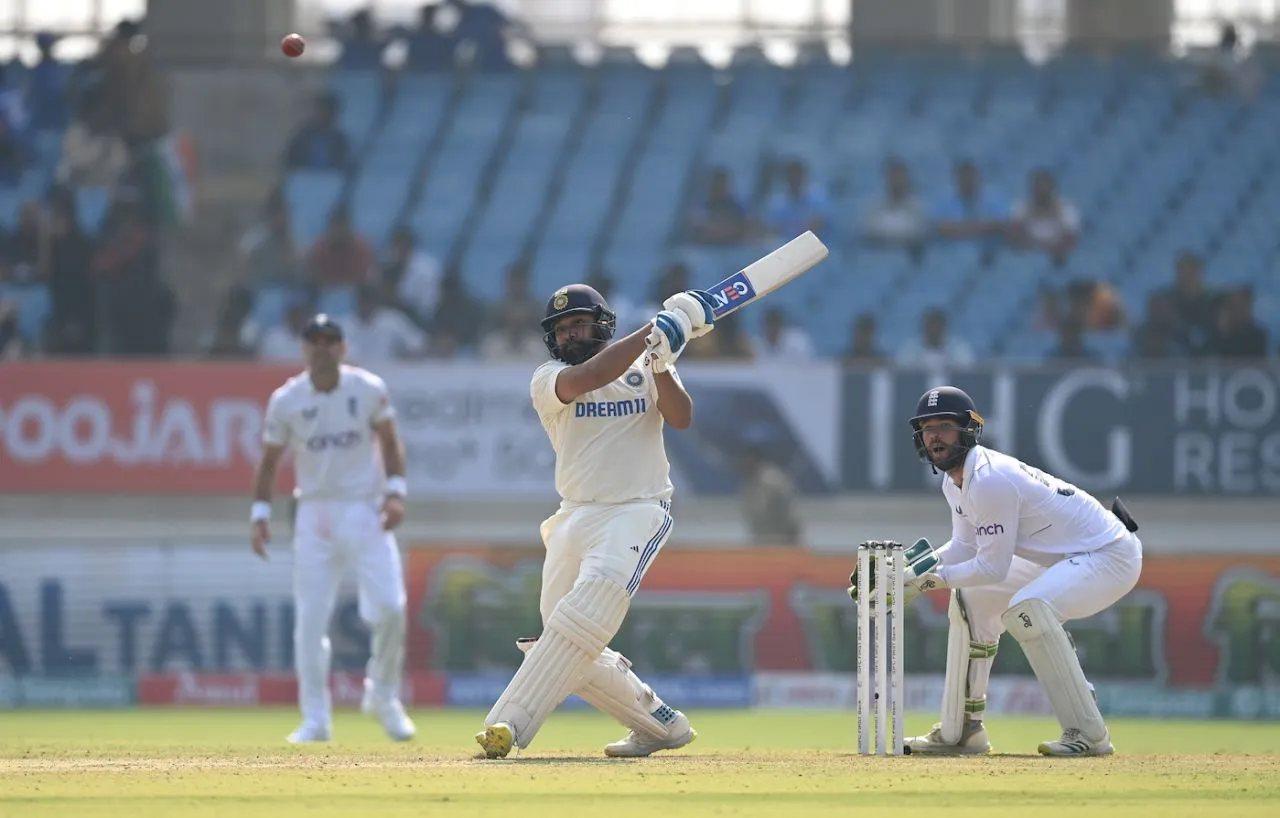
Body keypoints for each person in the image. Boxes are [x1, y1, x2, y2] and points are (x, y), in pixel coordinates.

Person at [474, 283, 715, 759]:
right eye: (562, 329)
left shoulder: (649, 364)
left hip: (638, 507)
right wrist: (656, 331)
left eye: (579, 323)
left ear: (603, 324)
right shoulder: (547, 377)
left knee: (592, 602)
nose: (570, 334)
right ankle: (661, 724)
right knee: (564, 644)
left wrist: (662, 361)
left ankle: (510, 724)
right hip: (574, 515)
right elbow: (590, 375)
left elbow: (682, 417)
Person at [850, 386, 1143, 757]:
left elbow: (992, 565)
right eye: (927, 428)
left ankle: (1089, 734)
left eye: (944, 426)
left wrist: (924, 581)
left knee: (1028, 608)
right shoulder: (954, 481)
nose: (934, 436)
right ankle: (963, 732)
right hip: (1061, 557)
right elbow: (965, 547)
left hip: (1110, 555)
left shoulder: (990, 480)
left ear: (969, 430)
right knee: (970, 600)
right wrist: (906, 568)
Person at [249, 314, 416, 744]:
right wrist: (260, 515)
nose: (321, 347)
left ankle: (383, 696)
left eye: (330, 340)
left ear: (342, 347)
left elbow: (391, 441)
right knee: (309, 621)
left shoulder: (368, 388)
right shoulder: (286, 400)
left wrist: (395, 492)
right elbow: (269, 462)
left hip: (365, 508)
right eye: (313, 341)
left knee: (392, 608)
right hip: (315, 513)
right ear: (303, 349)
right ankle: (315, 718)